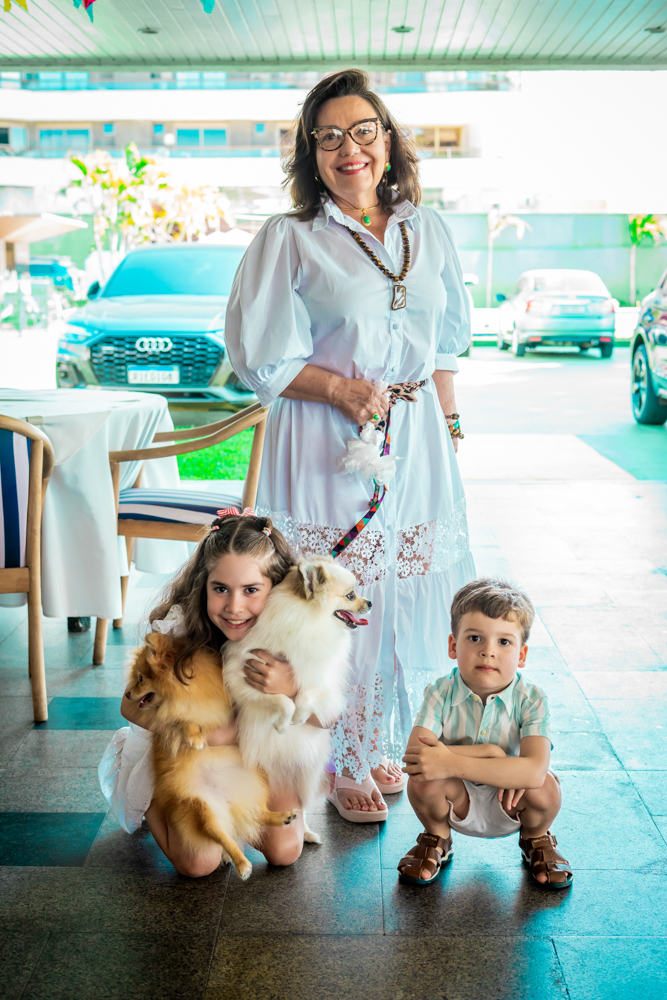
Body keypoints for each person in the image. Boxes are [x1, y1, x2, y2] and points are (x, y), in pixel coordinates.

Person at [224, 68, 476, 822]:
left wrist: (449, 425)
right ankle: (333, 752)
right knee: (332, 605)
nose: (349, 149)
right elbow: (258, 356)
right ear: (311, 153)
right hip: (325, 439)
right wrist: (338, 389)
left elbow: (447, 341)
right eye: (328, 136)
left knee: (400, 592)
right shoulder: (289, 238)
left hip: (415, 433)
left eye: (362, 131)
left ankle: (377, 742)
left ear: (388, 141)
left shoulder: (426, 231)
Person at [99, 512, 323, 877]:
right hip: (193, 758)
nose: (234, 607)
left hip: (258, 757)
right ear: (203, 585)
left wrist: (291, 688)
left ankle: (238, 815)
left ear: (277, 587)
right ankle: (153, 804)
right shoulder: (181, 630)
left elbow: (325, 716)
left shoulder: (291, 634)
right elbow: (129, 705)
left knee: (285, 850)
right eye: (221, 589)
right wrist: (196, 728)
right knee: (198, 864)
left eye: (251, 590)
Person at [397, 578, 573, 889]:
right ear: (454, 646)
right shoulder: (440, 692)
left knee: (545, 789)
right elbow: (417, 759)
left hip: (511, 799)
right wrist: (495, 758)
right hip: (456, 795)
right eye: (475, 638)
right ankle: (437, 836)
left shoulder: (532, 698)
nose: (488, 652)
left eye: (504, 642)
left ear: (522, 654)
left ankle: (535, 839)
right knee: (423, 782)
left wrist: (449, 760)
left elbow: (533, 772)